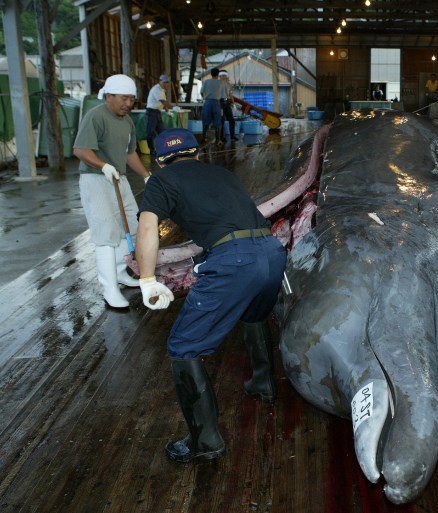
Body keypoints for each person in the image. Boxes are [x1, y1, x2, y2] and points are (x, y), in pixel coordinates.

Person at [135, 128, 287, 462]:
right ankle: (263, 383)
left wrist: (147, 278)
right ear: (197, 153)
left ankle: (205, 442)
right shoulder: (222, 174)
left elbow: (147, 230)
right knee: (254, 314)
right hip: (271, 251)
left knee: (183, 346)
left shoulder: (161, 181)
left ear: (160, 161)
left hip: (234, 261)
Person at [73, 74, 152, 309]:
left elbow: (130, 153)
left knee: (132, 225)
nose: (128, 104)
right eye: (124, 98)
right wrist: (103, 165)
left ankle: (120, 273)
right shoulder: (95, 116)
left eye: (132, 99)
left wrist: (146, 175)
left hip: (119, 178)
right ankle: (109, 289)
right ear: (109, 96)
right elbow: (80, 149)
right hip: (95, 179)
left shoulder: (127, 121)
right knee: (106, 233)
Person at [145, 74, 173, 154]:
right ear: (160, 82)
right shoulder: (156, 89)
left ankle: (165, 148)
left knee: (162, 132)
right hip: (152, 112)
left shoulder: (162, 90)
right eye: (165, 82)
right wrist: (173, 107)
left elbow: (163, 103)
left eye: (167, 82)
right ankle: (152, 150)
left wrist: (167, 110)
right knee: (150, 132)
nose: (166, 84)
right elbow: (163, 101)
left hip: (157, 112)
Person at [200, 67, 224, 143]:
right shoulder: (221, 82)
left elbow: (201, 91)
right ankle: (218, 139)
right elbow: (223, 94)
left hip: (207, 102)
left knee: (205, 120)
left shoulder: (206, 82)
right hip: (216, 103)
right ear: (218, 74)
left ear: (211, 74)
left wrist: (204, 97)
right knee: (217, 120)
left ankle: (204, 138)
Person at [218, 70, 237, 141]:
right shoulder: (217, 83)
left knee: (231, 120)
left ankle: (232, 136)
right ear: (220, 76)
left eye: (225, 76)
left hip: (227, 102)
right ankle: (221, 137)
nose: (224, 77)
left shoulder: (228, 84)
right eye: (223, 76)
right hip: (220, 103)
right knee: (221, 120)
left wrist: (233, 103)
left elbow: (230, 94)